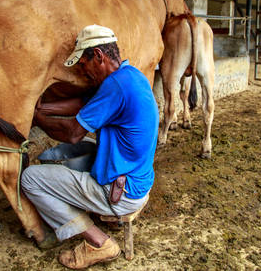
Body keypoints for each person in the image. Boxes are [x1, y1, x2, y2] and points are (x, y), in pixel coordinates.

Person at [21, 24, 159, 269]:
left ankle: (98, 242)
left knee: (30, 178)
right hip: (139, 182)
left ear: (98, 56)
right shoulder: (130, 75)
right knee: (90, 148)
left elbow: (72, 134)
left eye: (83, 65)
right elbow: (85, 103)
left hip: (121, 193)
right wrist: (42, 107)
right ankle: (101, 214)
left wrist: (38, 120)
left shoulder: (115, 87)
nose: (84, 73)